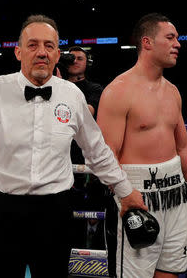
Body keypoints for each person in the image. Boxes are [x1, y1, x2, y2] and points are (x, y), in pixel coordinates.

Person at [0, 14, 146, 277]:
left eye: (49, 46)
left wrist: (125, 190)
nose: (42, 52)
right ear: (18, 52)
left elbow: (96, 150)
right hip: (1, 210)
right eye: (33, 45)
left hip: (54, 213)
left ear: (58, 54)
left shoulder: (72, 95)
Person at [97, 13, 187, 278]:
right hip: (135, 196)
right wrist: (123, 193)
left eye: (177, 38)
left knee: (170, 271)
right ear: (147, 42)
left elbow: (184, 148)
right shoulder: (118, 91)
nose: (177, 43)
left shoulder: (172, 91)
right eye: (170, 37)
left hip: (176, 195)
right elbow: (105, 154)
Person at [63, 46, 106, 249]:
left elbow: (87, 112)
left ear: (87, 63)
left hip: (84, 163)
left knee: (88, 219)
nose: (75, 61)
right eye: (71, 58)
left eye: (80, 58)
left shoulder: (95, 89)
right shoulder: (54, 85)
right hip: (59, 159)